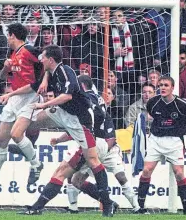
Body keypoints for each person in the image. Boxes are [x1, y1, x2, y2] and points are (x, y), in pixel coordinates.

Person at [1, 45, 115, 216]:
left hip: (79, 121)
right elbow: (39, 80)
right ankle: (29, 153)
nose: (41, 60)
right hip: (62, 112)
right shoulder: (52, 72)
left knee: (92, 161)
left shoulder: (66, 71)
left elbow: (67, 96)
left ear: (51, 60)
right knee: (27, 124)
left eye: (43, 58)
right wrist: (40, 81)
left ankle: (106, 203)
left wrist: (44, 104)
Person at [0, 23, 43, 196]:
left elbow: (36, 81)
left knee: (16, 135)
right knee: (1, 141)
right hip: (15, 98)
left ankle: (36, 164)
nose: (7, 38)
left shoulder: (30, 50)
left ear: (12, 35)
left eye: (8, 35)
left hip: (30, 98)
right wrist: (6, 68)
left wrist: (10, 94)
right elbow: (2, 77)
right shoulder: (13, 54)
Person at [59, 75, 139, 213]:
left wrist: (97, 153)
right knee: (74, 178)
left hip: (108, 150)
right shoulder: (91, 110)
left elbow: (111, 138)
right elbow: (77, 131)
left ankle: (137, 208)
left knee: (120, 176)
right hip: (94, 148)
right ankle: (76, 207)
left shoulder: (104, 113)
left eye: (109, 94)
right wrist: (59, 140)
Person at [136, 76, 186, 215]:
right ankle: (140, 206)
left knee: (179, 173)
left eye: (166, 85)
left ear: (172, 88)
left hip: (174, 141)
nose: (162, 87)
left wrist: (182, 128)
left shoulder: (182, 104)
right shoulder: (153, 102)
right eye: (161, 85)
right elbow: (151, 114)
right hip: (156, 140)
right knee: (146, 171)